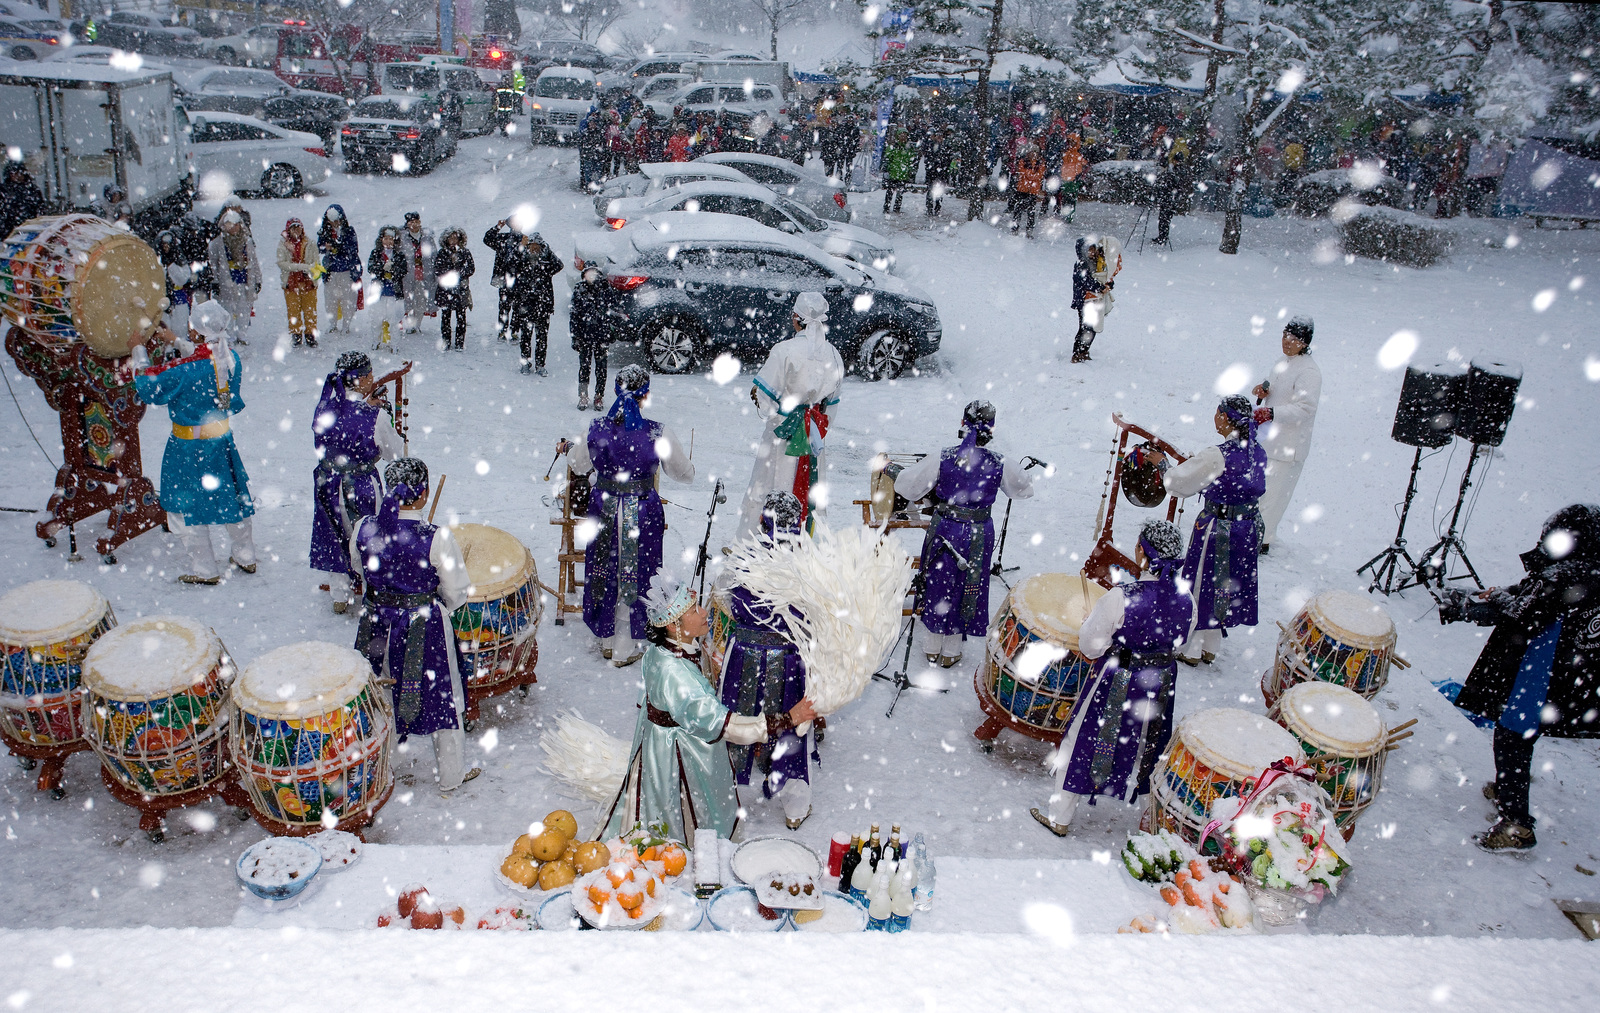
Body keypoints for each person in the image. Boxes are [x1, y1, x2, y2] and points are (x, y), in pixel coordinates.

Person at [600, 569, 817, 842]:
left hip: (658, 750)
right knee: (689, 820)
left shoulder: (660, 651)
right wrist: (789, 718)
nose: (705, 612)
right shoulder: (677, 675)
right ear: (673, 626)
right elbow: (727, 726)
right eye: (694, 610)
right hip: (678, 757)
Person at [1445, 504, 1600, 852]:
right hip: (1571, 676)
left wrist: (1478, 604)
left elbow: (1524, 612)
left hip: (1541, 672)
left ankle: (1516, 825)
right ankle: (1507, 788)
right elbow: (1532, 596)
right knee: (1524, 732)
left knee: (1512, 735)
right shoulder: (1591, 570)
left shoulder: (1564, 575)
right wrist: (1508, 595)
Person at [1032, 519, 1196, 835]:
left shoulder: (1121, 597)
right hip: (1160, 681)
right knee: (1150, 745)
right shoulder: (1186, 599)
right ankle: (1152, 822)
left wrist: (1092, 626)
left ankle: (1060, 816)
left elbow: (1090, 646)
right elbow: (1182, 642)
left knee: (1082, 739)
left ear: (1142, 552)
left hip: (1119, 678)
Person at [351, 458, 482, 794]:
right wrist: (431, 603)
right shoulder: (437, 538)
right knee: (442, 697)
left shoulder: (364, 528)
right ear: (424, 493)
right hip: (425, 625)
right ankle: (451, 775)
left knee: (382, 691)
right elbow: (456, 591)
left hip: (377, 623)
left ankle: (388, 767)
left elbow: (359, 569)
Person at [568, 365, 695, 666]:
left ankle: (606, 638)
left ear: (615, 390)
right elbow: (683, 474)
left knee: (605, 567)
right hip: (642, 510)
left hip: (604, 506)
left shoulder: (596, 427)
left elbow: (577, 464)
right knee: (635, 573)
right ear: (645, 395)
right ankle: (624, 646)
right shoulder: (657, 432)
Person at [894, 401, 1036, 667]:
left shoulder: (943, 457)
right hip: (978, 533)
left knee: (938, 581)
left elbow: (907, 486)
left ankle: (932, 645)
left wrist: (893, 471)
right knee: (968, 585)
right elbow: (1024, 490)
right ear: (991, 430)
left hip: (945, 528)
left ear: (962, 424)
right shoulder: (1000, 462)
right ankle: (952, 650)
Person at [125, 300, 257, 585]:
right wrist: (176, 341)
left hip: (188, 448)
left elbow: (149, 386)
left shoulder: (182, 371)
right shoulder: (230, 358)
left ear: (196, 331)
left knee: (186, 507)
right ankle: (245, 555)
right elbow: (204, 360)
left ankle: (205, 569)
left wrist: (138, 350)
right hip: (221, 443)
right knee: (231, 498)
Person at [720, 492, 819, 829]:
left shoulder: (745, 556)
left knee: (736, 721)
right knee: (793, 726)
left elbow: (728, 600)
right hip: (789, 659)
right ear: (799, 521)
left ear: (763, 521)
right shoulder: (809, 562)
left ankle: (726, 794)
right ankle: (795, 806)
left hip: (744, 656)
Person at [1149, 395, 1266, 664]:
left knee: (1202, 583)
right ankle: (1210, 646)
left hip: (1218, 528)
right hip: (1246, 529)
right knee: (1225, 585)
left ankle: (1189, 648)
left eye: (1217, 413)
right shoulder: (1257, 450)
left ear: (1225, 417)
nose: (1215, 418)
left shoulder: (1217, 455)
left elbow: (1178, 483)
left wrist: (1163, 465)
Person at [736, 291, 844, 540]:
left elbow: (764, 396)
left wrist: (775, 414)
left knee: (767, 483)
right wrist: (814, 425)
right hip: (813, 432)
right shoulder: (833, 355)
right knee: (811, 486)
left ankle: (754, 540)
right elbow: (832, 404)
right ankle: (805, 539)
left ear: (796, 317)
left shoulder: (784, 350)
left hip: (783, 432)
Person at [311, 352, 404, 613]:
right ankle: (370, 591)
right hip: (361, 485)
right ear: (361, 379)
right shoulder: (375, 417)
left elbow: (331, 434)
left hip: (328, 483)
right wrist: (382, 416)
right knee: (367, 537)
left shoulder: (325, 408)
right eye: (370, 375)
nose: (372, 379)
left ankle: (339, 594)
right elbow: (396, 453)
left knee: (334, 533)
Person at [1251, 316, 1321, 553]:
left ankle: (1261, 541)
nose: (1286, 341)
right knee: (1259, 493)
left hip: (1289, 448)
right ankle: (1250, 536)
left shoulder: (1309, 371)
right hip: (1269, 441)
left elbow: (1306, 408)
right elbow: (1277, 387)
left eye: (1293, 338)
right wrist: (1264, 390)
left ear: (1305, 342)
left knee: (1273, 498)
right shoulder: (1283, 362)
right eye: (1284, 335)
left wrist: (1272, 412)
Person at [488, 227, 562, 375]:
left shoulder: (546, 262)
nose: (534, 249)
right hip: (525, 303)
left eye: (537, 246)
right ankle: (525, 362)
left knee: (542, 337)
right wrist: (520, 248)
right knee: (526, 336)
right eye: (531, 246)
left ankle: (540, 364)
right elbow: (510, 262)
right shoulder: (522, 260)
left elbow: (559, 265)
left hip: (543, 303)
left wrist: (547, 252)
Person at [207, 210, 260, 347]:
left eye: (235, 225)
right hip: (226, 281)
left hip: (244, 279)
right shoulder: (217, 243)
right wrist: (215, 281)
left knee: (244, 309)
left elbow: (253, 261)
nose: (233, 228)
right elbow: (213, 264)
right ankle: (229, 335)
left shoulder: (247, 241)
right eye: (229, 225)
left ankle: (242, 334)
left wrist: (258, 280)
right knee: (227, 310)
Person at [317, 204, 362, 334]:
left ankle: (346, 325)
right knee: (330, 300)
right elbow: (319, 247)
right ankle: (332, 324)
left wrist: (339, 247)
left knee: (348, 299)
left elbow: (353, 249)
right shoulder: (324, 231)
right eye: (332, 221)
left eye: (337, 220)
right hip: (330, 271)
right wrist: (327, 247)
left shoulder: (349, 231)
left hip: (346, 270)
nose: (335, 223)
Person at [570, 266, 610, 410]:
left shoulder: (605, 289)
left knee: (601, 368)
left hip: (601, 335)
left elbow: (612, 311)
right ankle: (583, 395)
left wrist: (610, 332)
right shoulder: (579, 290)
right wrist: (575, 336)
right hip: (584, 335)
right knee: (584, 367)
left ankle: (599, 395)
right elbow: (574, 315)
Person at [276, 217, 319, 348]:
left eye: (298, 227)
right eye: (293, 228)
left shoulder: (310, 243)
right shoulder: (283, 244)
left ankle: (310, 334)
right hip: (291, 283)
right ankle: (296, 334)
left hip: (308, 282)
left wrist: (311, 273)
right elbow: (282, 263)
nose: (296, 230)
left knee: (310, 310)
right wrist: (300, 267)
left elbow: (316, 263)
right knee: (293, 310)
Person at [432, 227, 474, 351]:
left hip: (461, 289)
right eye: (451, 238)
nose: (453, 240)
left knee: (461, 317)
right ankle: (446, 341)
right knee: (446, 317)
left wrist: (458, 274)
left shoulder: (465, 252)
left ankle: (460, 342)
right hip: (445, 290)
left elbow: (471, 268)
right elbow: (438, 269)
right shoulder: (442, 253)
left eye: (456, 238)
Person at [366, 225, 407, 351]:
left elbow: (403, 270)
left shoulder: (399, 254)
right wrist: (382, 269)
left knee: (394, 319)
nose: (388, 242)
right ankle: (376, 340)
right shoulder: (376, 253)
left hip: (394, 292)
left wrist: (393, 270)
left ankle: (394, 343)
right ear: (381, 239)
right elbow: (371, 268)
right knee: (377, 319)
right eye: (386, 239)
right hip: (379, 292)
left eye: (391, 239)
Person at [1070, 236, 1110, 363]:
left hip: (1094, 300)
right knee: (1085, 327)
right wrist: (1100, 287)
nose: (1092, 252)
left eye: (1093, 249)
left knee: (1092, 327)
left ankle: (1084, 350)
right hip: (1084, 301)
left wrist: (1108, 284)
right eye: (1089, 250)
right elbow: (1085, 281)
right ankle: (1077, 352)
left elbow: (1104, 276)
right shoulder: (1081, 264)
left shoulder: (1097, 263)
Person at [398, 212, 435, 333]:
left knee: (421, 300)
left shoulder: (427, 237)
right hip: (407, 274)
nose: (414, 224)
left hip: (424, 273)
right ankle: (409, 324)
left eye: (416, 222)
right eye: (411, 222)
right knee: (409, 301)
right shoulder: (402, 238)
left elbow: (434, 254)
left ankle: (417, 324)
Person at [155, 229, 194, 336]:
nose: (166, 247)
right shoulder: (157, 260)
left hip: (178, 298)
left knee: (180, 329)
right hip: (162, 299)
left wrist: (171, 265)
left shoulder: (180, 259)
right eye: (164, 245)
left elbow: (183, 279)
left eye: (168, 244)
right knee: (164, 329)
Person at [1152, 148, 1192, 245]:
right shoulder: (1181, 170)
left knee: (1164, 219)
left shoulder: (1176, 171)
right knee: (1165, 219)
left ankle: (1162, 237)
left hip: (1169, 198)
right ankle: (1163, 236)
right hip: (1171, 198)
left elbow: (1174, 184)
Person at [0, 161, 47, 241]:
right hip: (9, 232)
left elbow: (40, 208)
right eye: (14, 173)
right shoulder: (3, 190)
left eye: (20, 173)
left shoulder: (32, 189)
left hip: (29, 230)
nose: (18, 176)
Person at [1009, 144, 1046, 237]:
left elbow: (1039, 175)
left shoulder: (1040, 164)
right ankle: (1015, 228)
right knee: (1018, 210)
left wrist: (1029, 175)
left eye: (1035, 152)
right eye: (1032, 152)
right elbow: (1023, 172)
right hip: (1022, 189)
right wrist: (1032, 175)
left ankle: (1029, 230)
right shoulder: (1023, 161)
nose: (1033, 154)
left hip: (1032, 191)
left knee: (1031, 212)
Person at [882, 129, 917, 215]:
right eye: (901, 135)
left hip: (903, 174)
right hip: (893, 173)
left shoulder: (909, 148)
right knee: (890, 191)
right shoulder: (893, 147)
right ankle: (886, 207)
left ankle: (897, 207)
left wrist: (911, 170)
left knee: (900, 192)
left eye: (905, 135)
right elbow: (887, 158)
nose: (903, 137)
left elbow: (911, 160)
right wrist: (886, 169)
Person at [924, 126, 955, 218]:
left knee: (940, 192)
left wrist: (945, 168)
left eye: (941, 136)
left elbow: (949, 159)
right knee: (930, 191)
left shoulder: (946, 147)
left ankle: (937, 209)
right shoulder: (931, 146)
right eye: (938, 136)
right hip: (932, 172)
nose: (939, 138)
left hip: (942, 173)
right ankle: (929, 209)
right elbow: (927, 159)